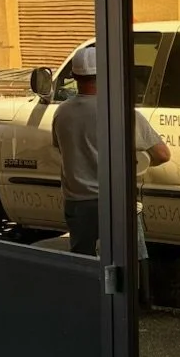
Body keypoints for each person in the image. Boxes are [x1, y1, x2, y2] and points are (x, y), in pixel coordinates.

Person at [50, 45, 103, 255]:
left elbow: (59, 147)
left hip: (77, 203)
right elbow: (162, 153)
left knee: (83, 260)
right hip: (113, 200)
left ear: (73, 76)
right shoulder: (117, 110)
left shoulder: (62, 112)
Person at [135, 107, 171, 305]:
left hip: (77, 197)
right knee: (136, 249)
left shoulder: (64, 113)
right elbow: (162, 154)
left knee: (83, 253)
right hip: (116, 195)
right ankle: (142, 298)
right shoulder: (128, 115)